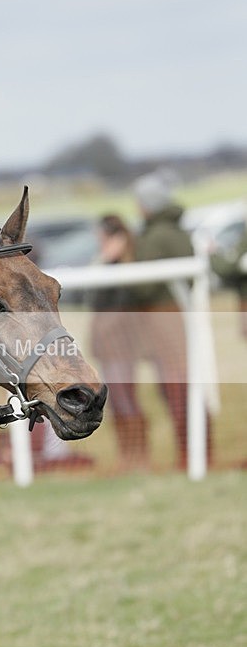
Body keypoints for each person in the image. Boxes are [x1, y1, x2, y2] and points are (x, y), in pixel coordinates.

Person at [130, 169, 209, 470]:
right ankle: (197, 453)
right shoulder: (177, 231)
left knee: (176, 391)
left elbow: (143, 287)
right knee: (186, 389)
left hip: (164, 322)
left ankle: (190, 455)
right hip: (178, 319)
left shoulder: (155, 236)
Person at [89, 214, 149, 468]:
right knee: (117, 403)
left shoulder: (126, 269)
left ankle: (139, 457)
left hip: (122, 346)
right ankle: (128, 456)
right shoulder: (107, 267)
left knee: (126, 401)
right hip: (109, 347)